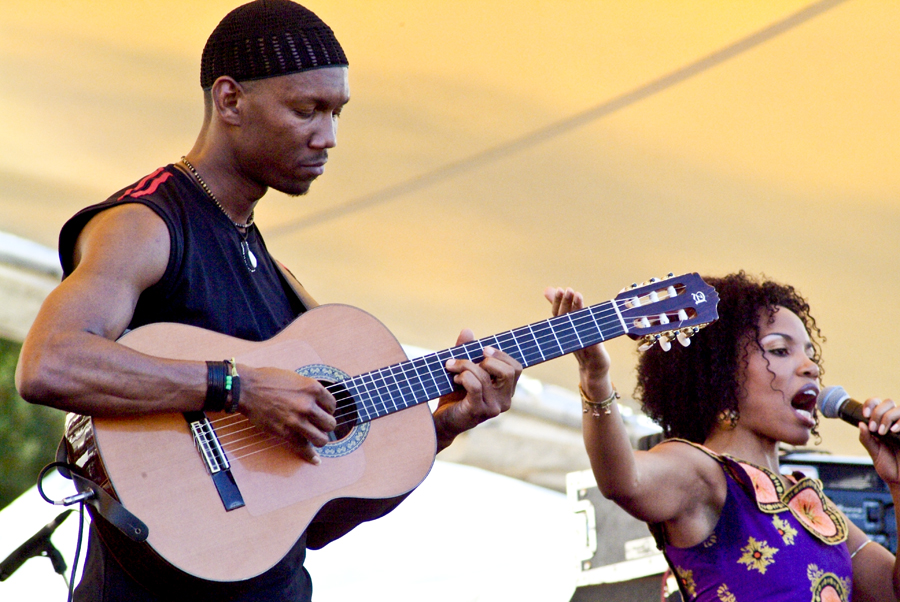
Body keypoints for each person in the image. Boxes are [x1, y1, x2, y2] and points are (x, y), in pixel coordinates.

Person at [14, 1, 522, 600]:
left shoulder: (279, 281)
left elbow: (314, 523)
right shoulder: (146, 224)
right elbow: (49, 363)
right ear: (229, 100)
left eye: (336, 113)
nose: (328, 137)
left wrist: (444, 427)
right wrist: (239, 388)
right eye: (306, 110)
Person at [545, 272, 900, 602]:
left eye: (810, 353)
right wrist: (596, 380)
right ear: (722, 374)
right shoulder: (703, 472)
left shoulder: (813, 506)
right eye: (780, 350)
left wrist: (898, 483)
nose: (811, 367)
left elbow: (892, 591)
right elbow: (624, 481)